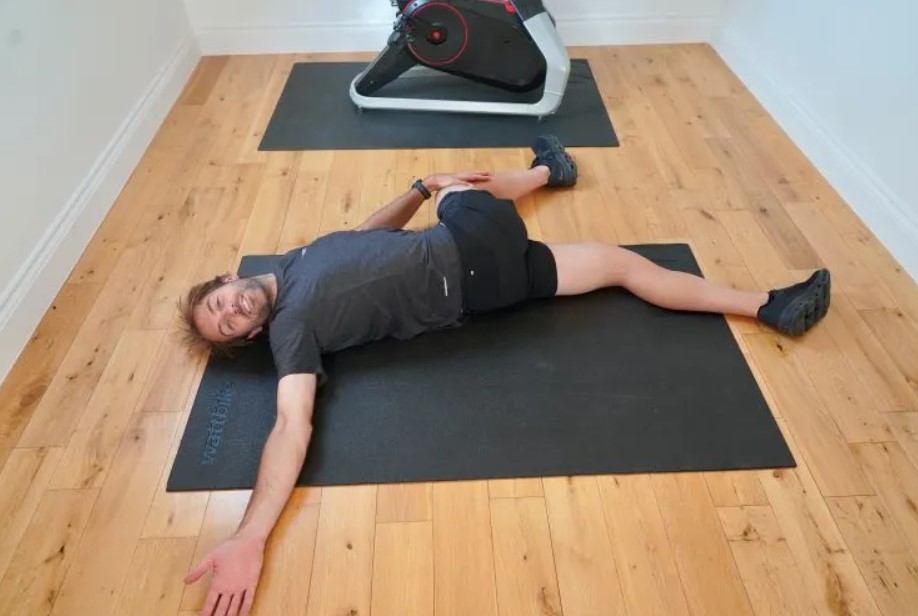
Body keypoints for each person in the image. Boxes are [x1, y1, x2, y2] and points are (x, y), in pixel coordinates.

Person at [177, 135, 830, 615]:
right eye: (228, 327)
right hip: (463, 254)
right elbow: (292, 424)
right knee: (468, 188)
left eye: (220, 304)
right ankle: (545, 169)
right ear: (255, 336)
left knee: (619, 265)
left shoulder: (294, 263)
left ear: (229, 281)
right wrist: (249, 535)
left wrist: (414, 190)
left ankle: (766, 306)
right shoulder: (291, 327)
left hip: (487, 286)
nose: (231, 313)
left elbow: (358, 236)